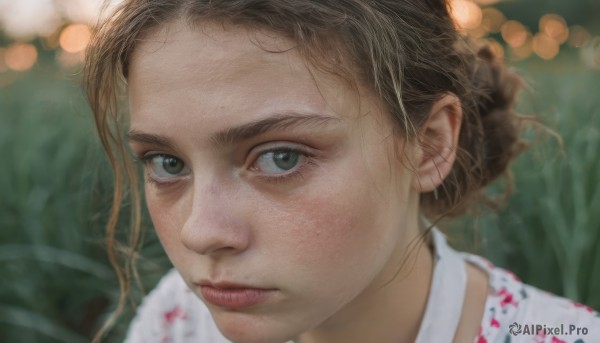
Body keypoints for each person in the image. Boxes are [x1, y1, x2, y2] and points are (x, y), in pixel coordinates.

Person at [83, 1, 600, 342]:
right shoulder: (179, 322)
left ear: (429, 145)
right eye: (167, 163)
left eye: (280, 157)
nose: (201, 232)